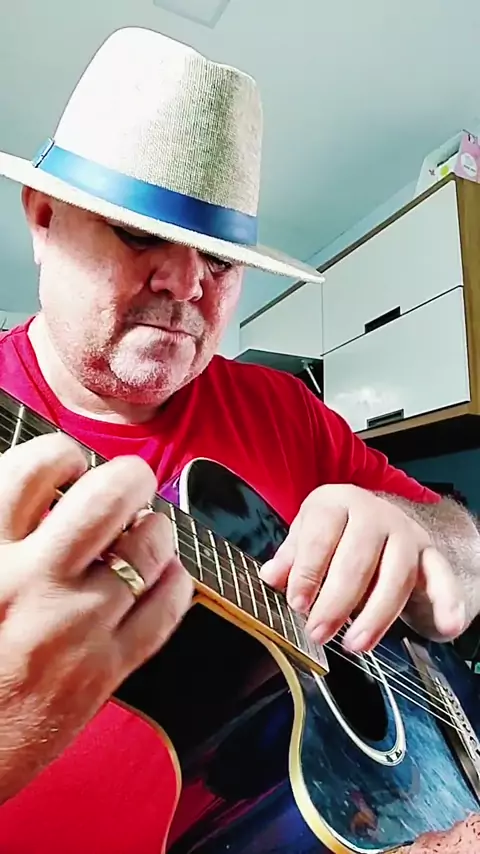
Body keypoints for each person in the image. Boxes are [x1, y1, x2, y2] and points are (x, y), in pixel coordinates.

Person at [0, 24, 478, 854]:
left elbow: (464, 566)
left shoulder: (283, 408)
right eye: (140, 232)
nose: (188, 282)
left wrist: (423, 540)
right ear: (43, 218)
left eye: (220, 261)